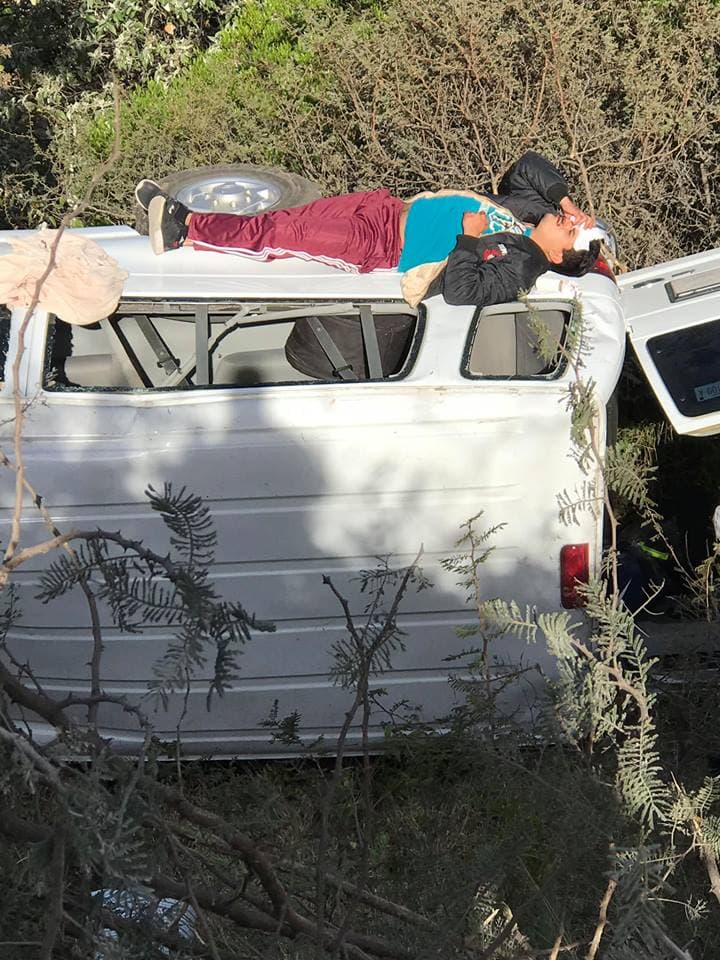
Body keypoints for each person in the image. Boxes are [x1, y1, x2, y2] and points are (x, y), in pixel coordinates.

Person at [137, 152, 602, 309]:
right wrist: (566, 200)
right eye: (572, 221)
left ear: (560, 257)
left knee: (280, 236)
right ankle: (181, 218)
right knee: (286, 220)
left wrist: (469, 237)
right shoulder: (530, 213)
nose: (566, 223)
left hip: (378, 244)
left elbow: (463, 290)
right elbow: (526, 167)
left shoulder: (522, 267)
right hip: (384, 208)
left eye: (571, 232)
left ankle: (185, 228)